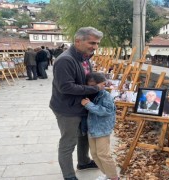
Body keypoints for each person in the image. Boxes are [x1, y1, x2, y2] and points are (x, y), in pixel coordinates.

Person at [49, 27, 104, 180]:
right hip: (68, 108)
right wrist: (94, 88)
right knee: (69, 142)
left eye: (97, 43)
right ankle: (69, 176)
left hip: (81, 105)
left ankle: (84, 162)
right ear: (78, 41)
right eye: (92, 43)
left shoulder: (84, 57)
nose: (95, 47)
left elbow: (84, 78)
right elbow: (66, 87)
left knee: (84, 135)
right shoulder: (65, 60)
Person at [81, 72, 119, 180]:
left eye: (95, 85)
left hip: (102, 129)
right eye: (89, 84)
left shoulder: (105, 95)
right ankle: (107, 174)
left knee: (103, 154)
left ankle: (114, 177)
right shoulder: (87, 94)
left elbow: (107, 111)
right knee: (94, 154)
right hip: (91, 128)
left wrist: (89, 105)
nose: (92, 87)